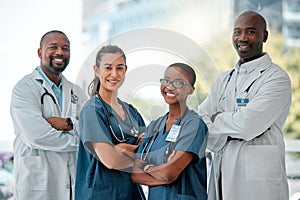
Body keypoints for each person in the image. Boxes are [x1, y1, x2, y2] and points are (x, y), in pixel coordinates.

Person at [198, 11, 291, 200]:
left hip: (259, 182)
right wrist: (228, 124)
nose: (242, 38)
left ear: (264, 36)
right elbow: (201, 121)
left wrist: (218, 119)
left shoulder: (276, 78)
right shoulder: (223, 79)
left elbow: (248, 125)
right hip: (222, 172)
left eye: (250, 32)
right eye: (237, 32)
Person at [10, 30, 88, 200]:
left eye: (65, 48)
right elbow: (36, 136)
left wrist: (66, 123)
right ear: (40, 52)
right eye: (53, 47)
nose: (60, 52)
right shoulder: (25, 89)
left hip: (71, 185)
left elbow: (89, 129)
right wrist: (80, 141)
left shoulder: (77, 92)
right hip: (37, 186)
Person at [75, 45, 146, 200]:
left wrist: (122, 149)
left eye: (119, 68)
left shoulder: (132, 112)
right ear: (96, 69)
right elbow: (111, 160)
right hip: (101, 194)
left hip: (132, 194)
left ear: (125, 70)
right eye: (108, 68)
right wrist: (137, 150)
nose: (114, 74)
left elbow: (148, 157)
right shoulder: (92, 110)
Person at [132, 63, 208, 200]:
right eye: (166, 81)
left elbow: (169, 172)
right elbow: (135, 174)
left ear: (191, 90)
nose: (170, 87)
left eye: (178, 83)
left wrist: (147, 167)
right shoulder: (155, 126)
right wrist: (162, 171)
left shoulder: (194, 125)